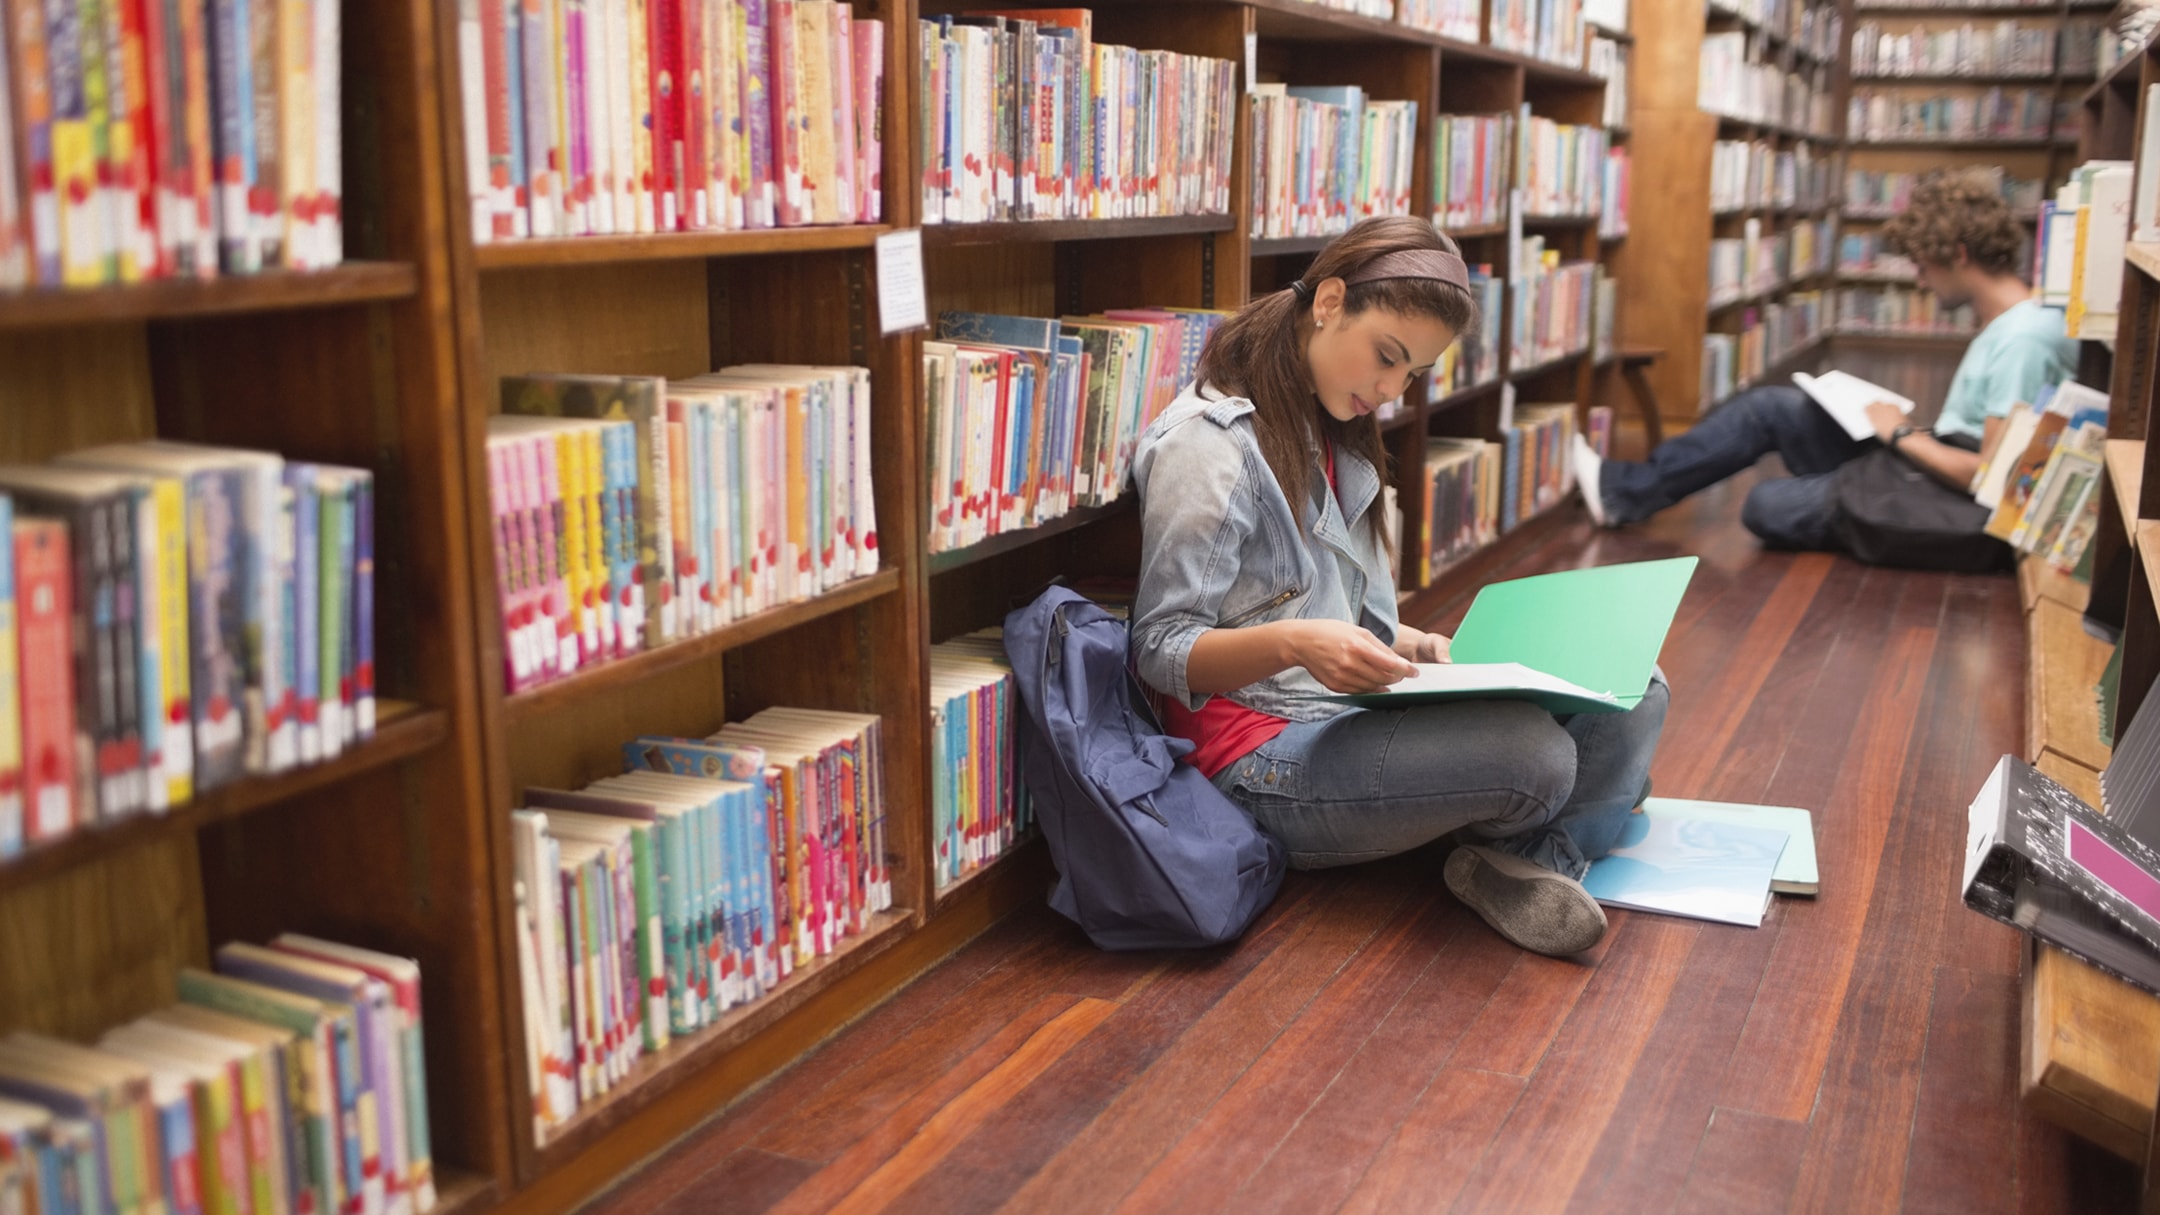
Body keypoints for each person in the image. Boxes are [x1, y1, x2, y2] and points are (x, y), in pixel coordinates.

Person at [1129, 215, 1670, 958]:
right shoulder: (1210, 447)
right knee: (1539, 757)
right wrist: (1295, 643)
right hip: (1258, 760)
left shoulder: (1332, 421)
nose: (1389, 390)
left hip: (1349, 711)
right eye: (1387, 358)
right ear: (1328, 302)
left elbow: (1329, 603)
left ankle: (1535, 857)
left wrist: (1410, 641)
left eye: (1411, 374)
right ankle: (1572, 814)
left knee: (1638, 682)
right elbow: (1159, 647)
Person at [1571, 169, 2077, 550]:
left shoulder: (2023, 340)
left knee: (1765, 506)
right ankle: (1623, 492)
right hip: (1928, 462)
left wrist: (1899, 434)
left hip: (1946, 496)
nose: (1920, 282)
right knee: (1767, 408)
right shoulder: (2010, 324)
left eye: (1923, 267)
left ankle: (1835, 487)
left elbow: (1993, 477)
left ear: (1960, 255)